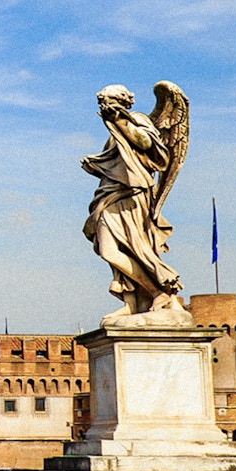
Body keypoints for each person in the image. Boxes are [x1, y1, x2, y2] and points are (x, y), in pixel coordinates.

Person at [82, 84, 185, 321]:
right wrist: (97, 164)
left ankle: (159, 290)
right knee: (108, 248)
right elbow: (118, 163)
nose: (103, 107)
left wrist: (121, 122)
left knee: (134, 246)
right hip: (110, 193)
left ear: (121, 102)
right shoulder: (113, 133)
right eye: (101, 103)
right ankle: (133, 301)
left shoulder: (137, 119)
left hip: (133, 194)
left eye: (107, 101)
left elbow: (149, 146)